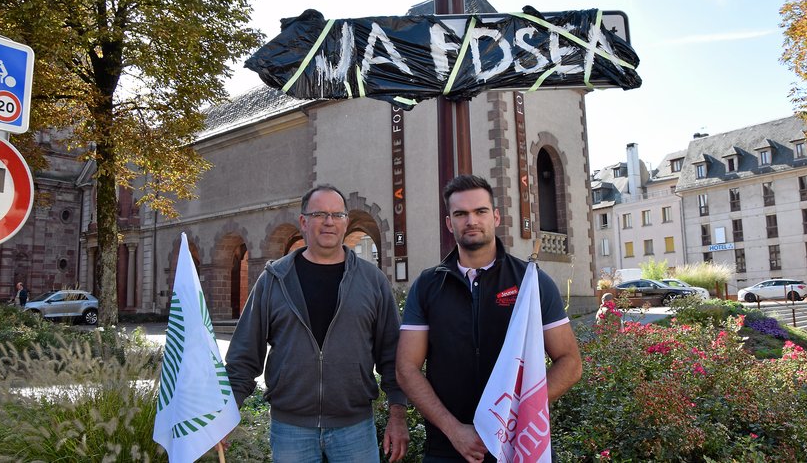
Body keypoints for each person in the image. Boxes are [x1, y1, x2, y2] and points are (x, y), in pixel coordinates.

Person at [396, 174, 583, 462]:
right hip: (448, 447)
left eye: (480, 211)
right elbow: (406, 368)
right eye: (460, 214)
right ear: (449, 223)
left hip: (519, 441)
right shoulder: (428, 285)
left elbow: (570, 362)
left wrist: (516, 414)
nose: (471, 220)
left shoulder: (531, 282)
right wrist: (454, 429)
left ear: (495, 217)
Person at [224, 184, 409, 462]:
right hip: (291, 430)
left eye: (337, 214)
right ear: (303, 222)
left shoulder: (372, 281)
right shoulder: (275, 280)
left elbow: (392, 355)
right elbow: (244, 353)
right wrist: (227, 412)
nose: (329, 222)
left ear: (346, 222)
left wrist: (398, 415)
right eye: (319, 214)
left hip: (354, 428)